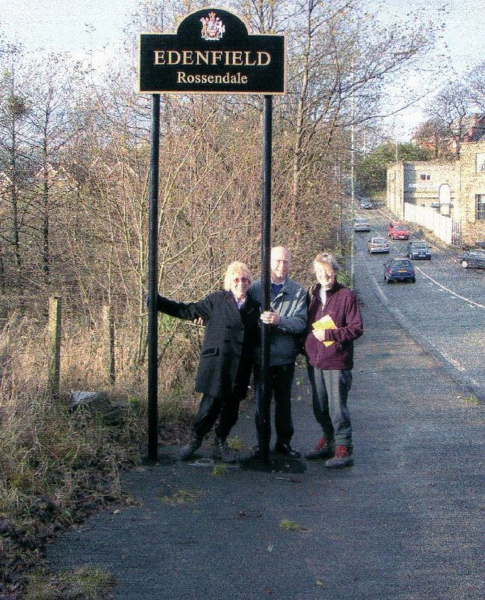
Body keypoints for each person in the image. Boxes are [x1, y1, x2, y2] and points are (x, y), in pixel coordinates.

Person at [154, 261, 260, 462]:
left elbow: (258, 338)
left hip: (239, 366)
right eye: (236, 279)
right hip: (217, 363)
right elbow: (187, 311)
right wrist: (159, 302)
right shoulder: (216, 300)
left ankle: (221, 442)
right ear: (229, 281)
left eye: (245, 279)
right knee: (209, 406)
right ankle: (195, 441)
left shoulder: (255, 307)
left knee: (231, 409)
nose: (241, 283)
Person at [304, 252, 363, 468]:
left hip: (337, 360)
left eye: (327, 271)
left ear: (335, 271)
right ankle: (328, 439)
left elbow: (356, 328)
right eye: (319, 271)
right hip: (315, 360)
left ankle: (343, 447)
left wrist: (331, 335)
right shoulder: (312, 294)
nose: (323, 275)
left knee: (337, 407)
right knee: (319, 406)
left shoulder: (347, 296)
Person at [248, 246, 307, 459]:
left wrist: (280, 320)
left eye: (286, 262)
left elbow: (301, 323)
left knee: (283, 403)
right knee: (261, 403)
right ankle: (261, 444)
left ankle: (284, 443)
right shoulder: (255, 289)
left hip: (284, 358)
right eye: (278, 261)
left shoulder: (298, 292)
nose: (282, 266)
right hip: (262, 359)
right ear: (269, 262)